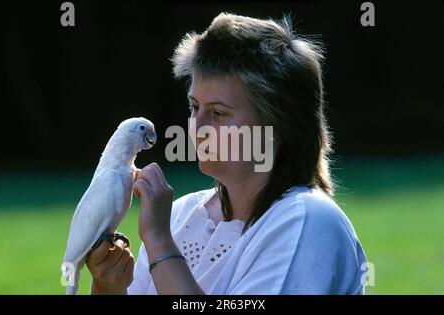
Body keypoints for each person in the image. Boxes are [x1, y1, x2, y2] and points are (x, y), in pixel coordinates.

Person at [86, 12, 367, 295]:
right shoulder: (178, 215)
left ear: (278, 124)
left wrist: (159, 242)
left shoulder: (309, 221)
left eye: (218, 113)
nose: (199, 128)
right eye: (195, 108)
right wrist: (108, 287)